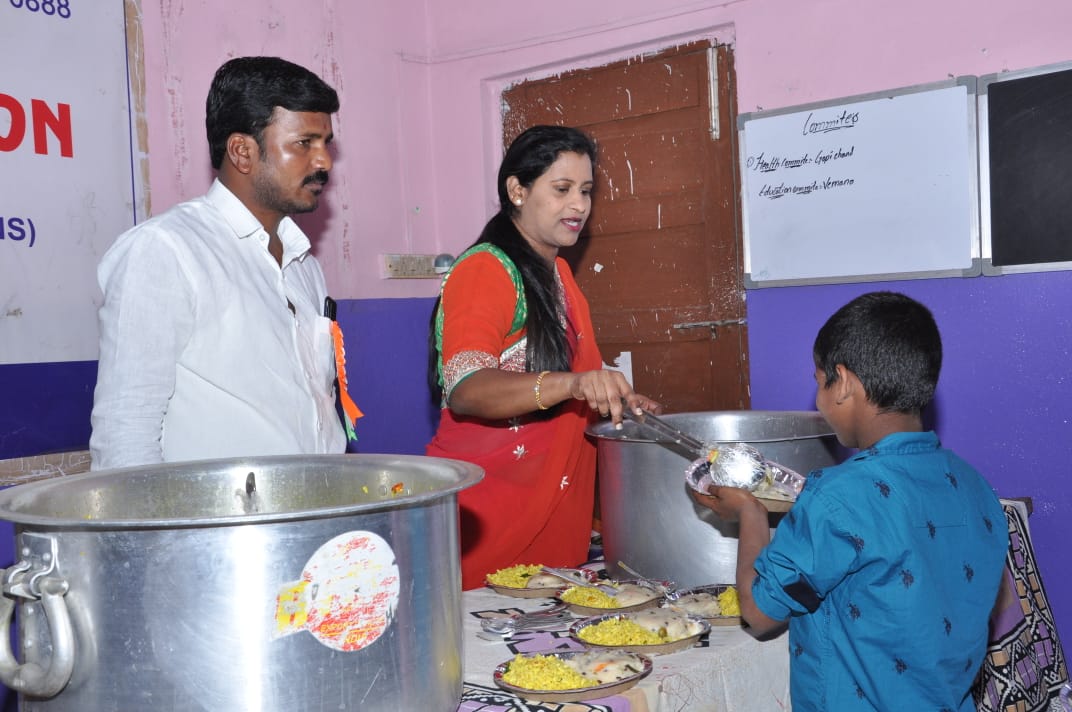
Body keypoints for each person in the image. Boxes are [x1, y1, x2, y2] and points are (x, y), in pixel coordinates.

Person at [692, 291, 1007, 711]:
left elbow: (759, 611)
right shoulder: (976, 487)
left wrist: (751, 514)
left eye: (819, 381)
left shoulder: (838, 496)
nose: (819, 400)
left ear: (844, 383)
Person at [90, 56, 359, 470]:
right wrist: (151, 533)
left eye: (326, 144)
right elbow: (126, 427)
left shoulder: (303, 261)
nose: (323, 161)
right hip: (211, 526)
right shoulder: (166, 249)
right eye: (304, 144)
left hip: (313, 514)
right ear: (242, 152)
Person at [426, 125, 660, 590]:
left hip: (552, 515)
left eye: (587, 191)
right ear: (517, 189)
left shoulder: (559, 276)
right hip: (492, 516)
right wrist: (572, 385)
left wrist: (618, 399)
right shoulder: (485, 270)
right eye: (562, 189)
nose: (579, 205)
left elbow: (578, 378)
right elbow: (468, 388)